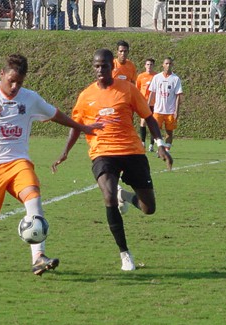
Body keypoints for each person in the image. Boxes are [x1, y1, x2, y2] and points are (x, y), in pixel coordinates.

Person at [0, 54, 102, 275]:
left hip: (18, 163)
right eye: (11, 81)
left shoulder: (30, 98)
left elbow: (55, 114)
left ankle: (39, 257)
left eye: (19, 83)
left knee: (33, 198)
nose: (14, 87)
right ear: (1, 74)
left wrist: (83, 128)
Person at [51, 49, 173, 272]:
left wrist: (160, 144)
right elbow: (76, 126)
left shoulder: (128, 89)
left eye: (104, 66)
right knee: (107, 195)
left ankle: (124, 195)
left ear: (112, 67)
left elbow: (148, 117)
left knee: (149, 208)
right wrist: (65, 151)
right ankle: (125, 254)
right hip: (102, 152)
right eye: (96, 66)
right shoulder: (86, 95)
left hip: (132, 151)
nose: (100, 70)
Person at [147, 57, 183, 152]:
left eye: (170, 63)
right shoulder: (157, 77)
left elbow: (178, 96)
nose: (168, 65)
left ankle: (167, 151)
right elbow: (152, 92)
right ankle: (161, 146)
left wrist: (176, 110)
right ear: (163, 65)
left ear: (172, 65)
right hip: (158, 110)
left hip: (170, 111)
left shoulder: (175, 79)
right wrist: (147, 106)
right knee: (154, 131)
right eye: (166, 63)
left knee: (169, 132)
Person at [136, 58, 157, 152]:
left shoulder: (156, 76)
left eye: (151, 64)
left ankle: (152, 144)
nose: (149, 66)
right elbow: (137, 89)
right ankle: (143, 142)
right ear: (145, 65)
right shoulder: (141, 76)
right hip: (144, 103)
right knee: (143, 122)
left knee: (153, 123)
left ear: (153, 66)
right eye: (148, 64)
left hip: (155, 103)